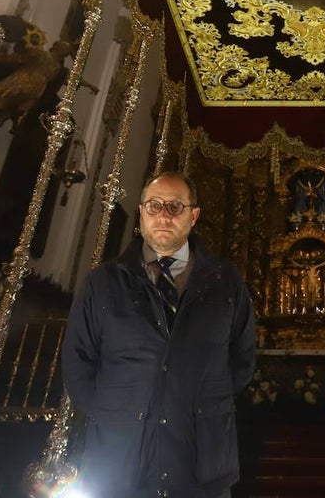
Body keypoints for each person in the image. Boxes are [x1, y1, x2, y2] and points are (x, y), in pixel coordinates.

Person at [63, 171, 257, 498]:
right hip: (120, 461)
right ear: (140, 212)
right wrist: (118, 412)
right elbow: (77, 362)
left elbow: (242, 358)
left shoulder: (226, 281)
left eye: (175, 206)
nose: (163, 215)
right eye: (154, 206)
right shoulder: (103, 282)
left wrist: (201, 401)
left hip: (201, 459)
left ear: (193, 216)